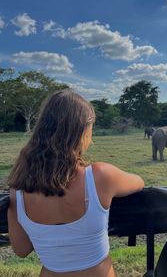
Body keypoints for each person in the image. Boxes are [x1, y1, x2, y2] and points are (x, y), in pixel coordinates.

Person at [7, 90, 144, 277]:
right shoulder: (101, 176)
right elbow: (139, 182)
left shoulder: (18, 189)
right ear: (82, 130)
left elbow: (21, 250)